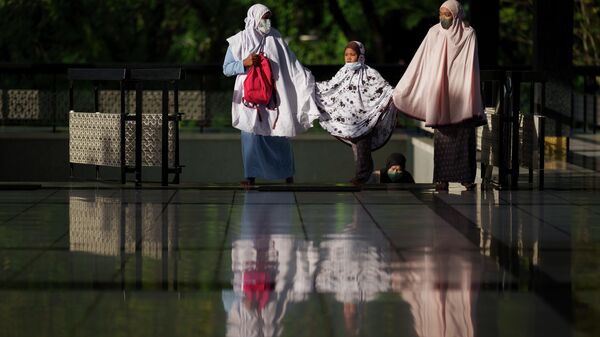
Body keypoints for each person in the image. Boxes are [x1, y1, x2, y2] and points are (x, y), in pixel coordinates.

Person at [392, 0, 485, 191]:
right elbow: (422, 61)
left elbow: (470, 65)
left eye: (447, 14)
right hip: (440, 94)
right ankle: (441, 179)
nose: (443, 18)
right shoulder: (434, 32)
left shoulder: (468, 34)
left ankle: (466, 179)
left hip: (461, 95)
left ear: (457, 15)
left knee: (464, 138)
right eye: (440, 13)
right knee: (443, 141)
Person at [223, 4, 320, 185]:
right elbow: (226, 69)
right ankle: (249, 177)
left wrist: (305, 79)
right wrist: (244, 63)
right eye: (263, 18)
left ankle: (287, 174)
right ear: (254, 18)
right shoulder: (239, 41)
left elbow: (290, 65)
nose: (266, 22)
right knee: (251, 136)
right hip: (250, 99)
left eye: (268, 18)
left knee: (279, 134)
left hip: (274, 98)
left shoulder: (276, 38)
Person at [315, 41, 397, 185]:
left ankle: (362, 176)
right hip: (350, 122)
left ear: (360, 55)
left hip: (366, 119)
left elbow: (384, 88)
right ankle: (366, 176)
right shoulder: (342, 72)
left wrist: (396, 94)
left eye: (352, 54)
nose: (348, 58)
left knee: (362, 146)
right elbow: (331, 87)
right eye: (346, 54)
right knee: (358, 149)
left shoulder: (370, 73)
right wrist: (313, 87)